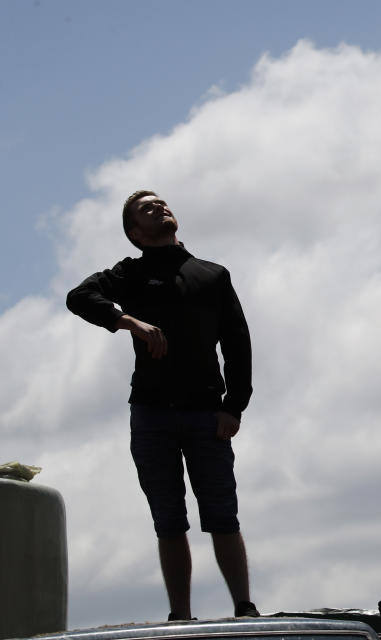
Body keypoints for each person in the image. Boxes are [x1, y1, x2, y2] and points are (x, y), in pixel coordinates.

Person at [66, 190, 259, 620]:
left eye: (162, 203)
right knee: (168, 520)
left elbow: (238, 343)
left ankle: (244, 608)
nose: (160, 208)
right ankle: (181, 616)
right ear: (135, 232)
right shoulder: (128, 274)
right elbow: (78, 297)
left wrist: (234, 406)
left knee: (222, 513)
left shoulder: (212, 274)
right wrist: (126, 321)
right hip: (151, 413)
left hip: (207, 412)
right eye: (147, 209)